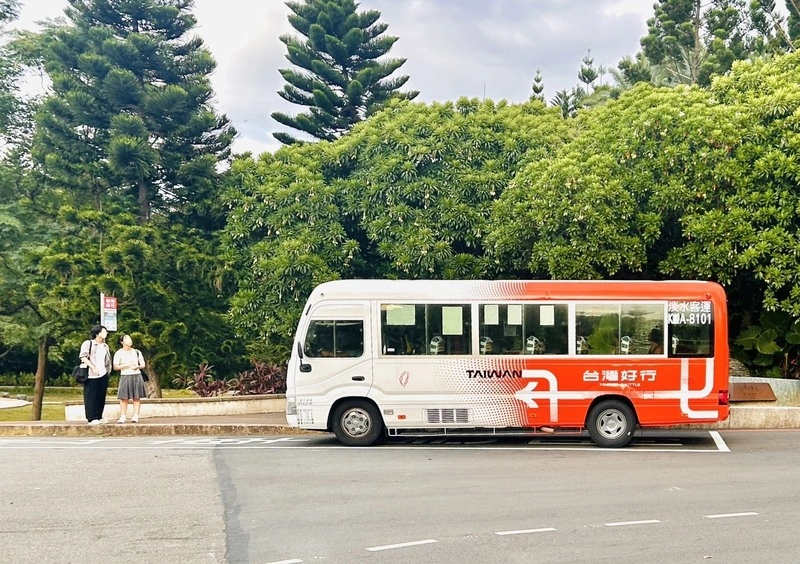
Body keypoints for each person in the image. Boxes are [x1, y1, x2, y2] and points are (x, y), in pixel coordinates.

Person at [79, 325, 112, 425]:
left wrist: (107, 371)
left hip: (103, 373)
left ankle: (99, 416)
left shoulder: (105, 346)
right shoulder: (88, 343)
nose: (106, 333)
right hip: (91, 374)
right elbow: (83, 357)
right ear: (97, 333)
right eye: (103, 331)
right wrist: (93, 367)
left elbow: (107, 360)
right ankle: (91, 417)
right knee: (91, 396)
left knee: (101, 395)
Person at [113, 334, 147, 423]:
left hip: (136, 375)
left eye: (130, 339)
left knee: (136, 397)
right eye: (127, 339)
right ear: (122, 342)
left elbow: (143, 365)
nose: (130, 341)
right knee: (124, 398)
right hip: (125, 375)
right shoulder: (119, 353)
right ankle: (123, 416)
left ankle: (135, 416)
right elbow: (115, 367)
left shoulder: (137, 352)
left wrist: (137, 366)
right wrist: (125, 365)